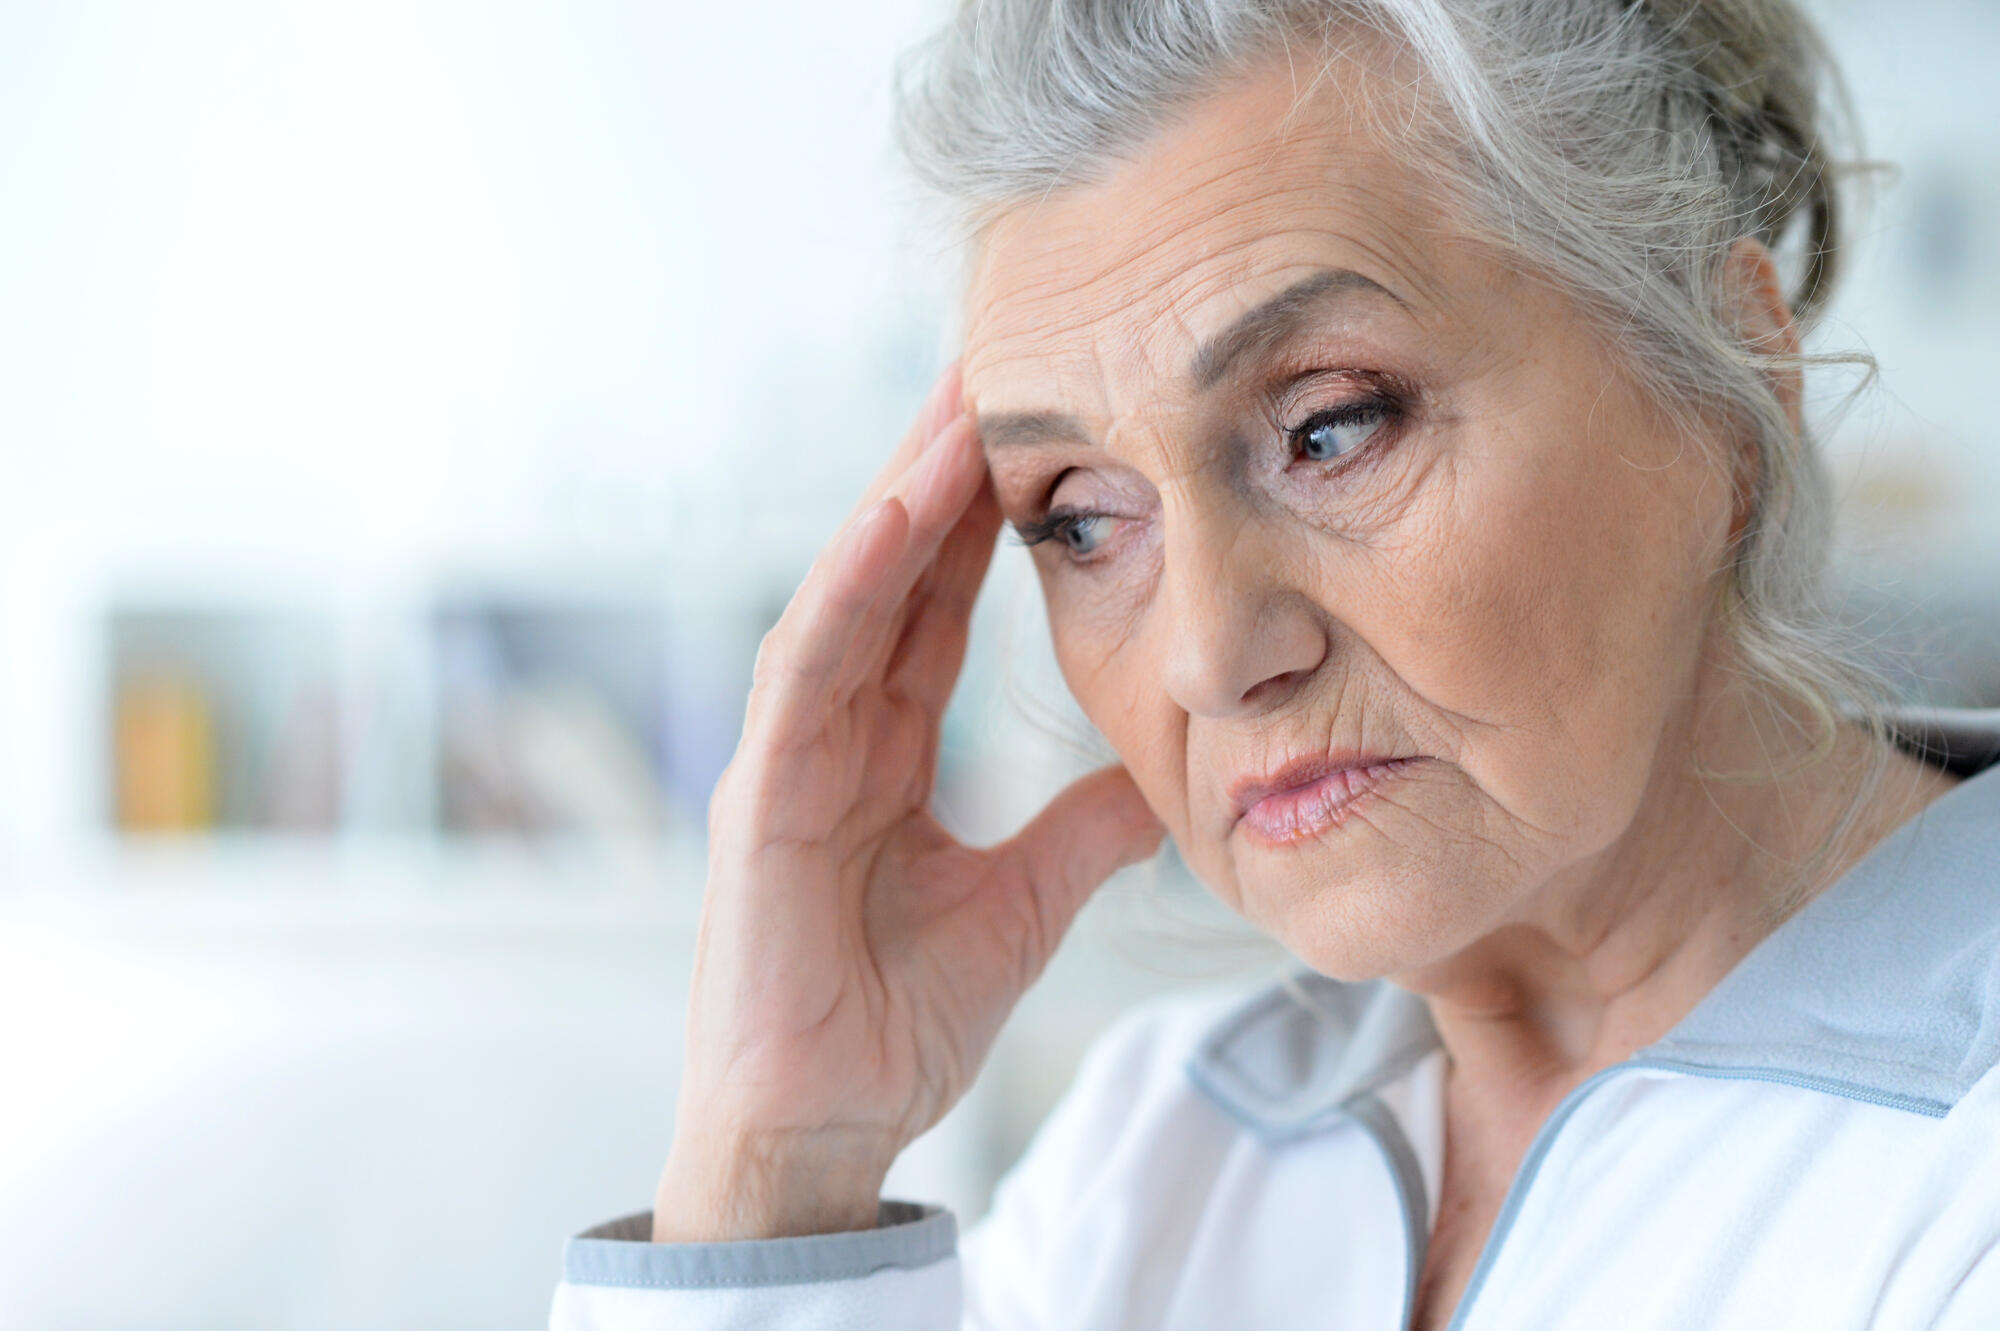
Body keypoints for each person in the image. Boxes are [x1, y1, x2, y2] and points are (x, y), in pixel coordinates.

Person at [549, 1, 2000, 1326]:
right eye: (1080, 519)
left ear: (1724, 400)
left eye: (1330, 427)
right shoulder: (1162, 1146)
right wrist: (779, 1170)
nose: (1204, 654)